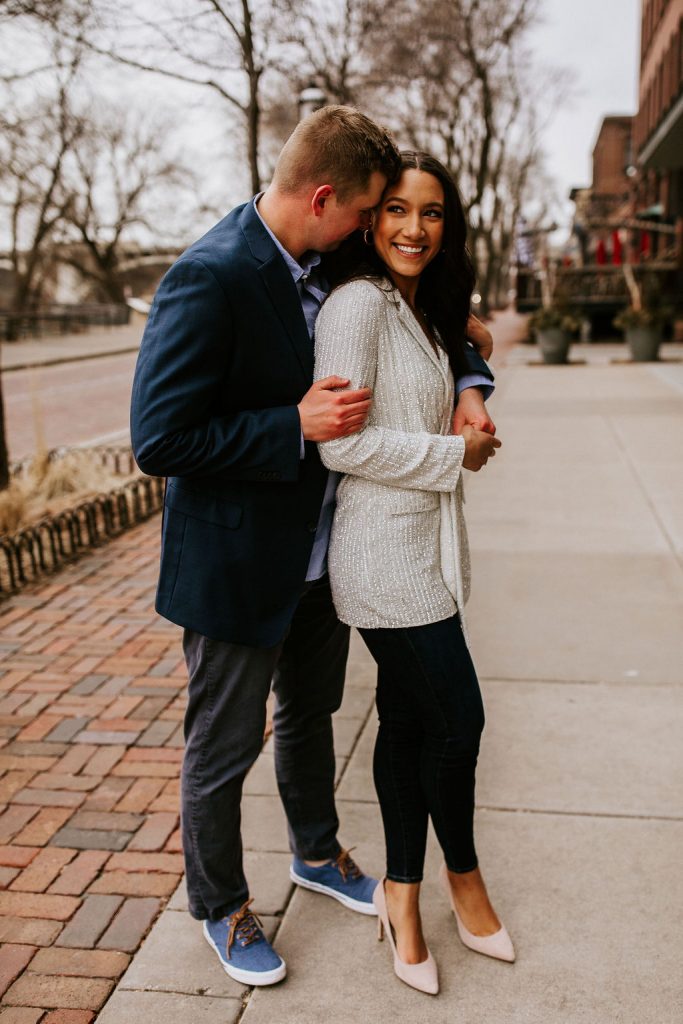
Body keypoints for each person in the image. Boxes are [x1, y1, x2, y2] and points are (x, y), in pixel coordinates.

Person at [130, 109, 495, 988]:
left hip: (322, 561)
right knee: (222, 747)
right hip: (235, 567)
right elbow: (158, 439)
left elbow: (445, 325)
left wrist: (473, 383)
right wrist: (287, 426)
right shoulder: (208, 278)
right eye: (366, 213)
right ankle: (221, 906)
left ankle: (316, 856)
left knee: (308, 719)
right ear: (326, 198)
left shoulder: (326, 258)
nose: (377, 231)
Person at [314, 151, 511, 996]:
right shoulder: (357, 305)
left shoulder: (421, 306)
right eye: (396, 209)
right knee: (457, 720)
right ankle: (460, 876)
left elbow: (459, 361)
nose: (413, 229)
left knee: (406, 724)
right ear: (367, 216)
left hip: (427, 551)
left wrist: (472, 384)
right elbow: (339, 442)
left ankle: (401, 894)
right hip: (380, 556)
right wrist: (452, 451)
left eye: (431, 214)